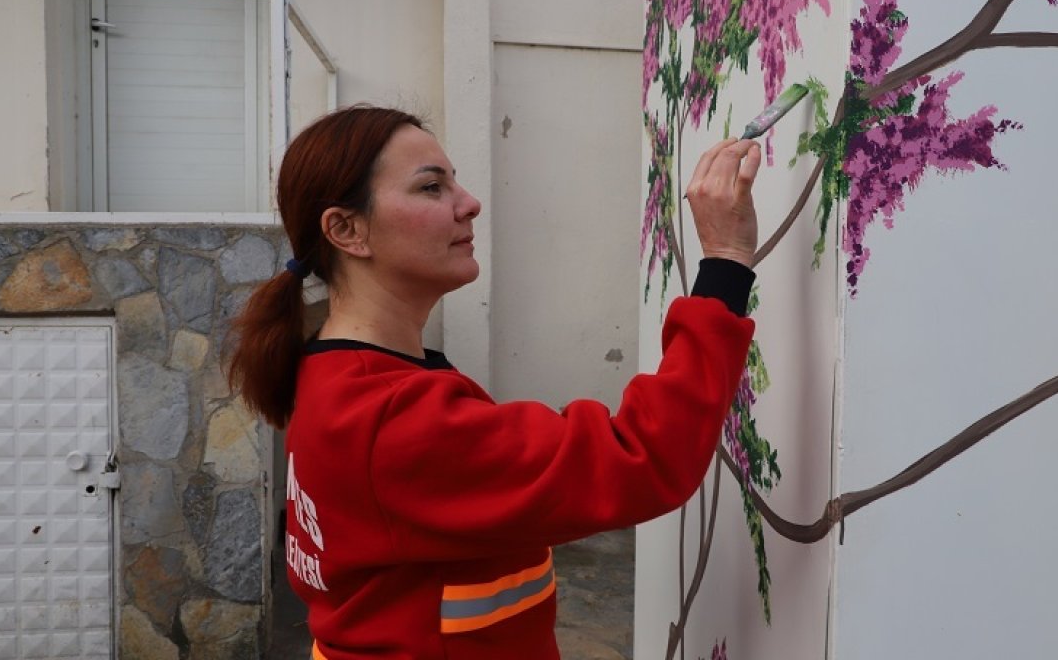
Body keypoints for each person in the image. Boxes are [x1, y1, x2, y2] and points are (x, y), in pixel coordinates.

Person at [229, 105, 763, 660]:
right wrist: (726, 263)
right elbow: (642, 456)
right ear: (347, 230)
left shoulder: (334, 377)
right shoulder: (391, 416)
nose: (469, 203)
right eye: (432, 187)